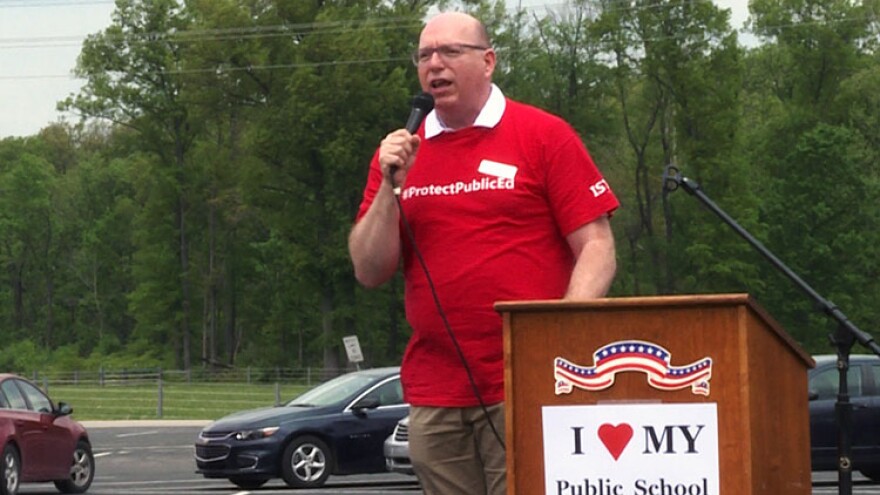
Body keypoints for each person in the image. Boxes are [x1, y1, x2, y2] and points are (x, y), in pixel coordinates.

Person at [348, 11, 619, 495]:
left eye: (451, 52)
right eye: (425, 55)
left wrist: (556, 341)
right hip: (435, 390)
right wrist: (390, 189)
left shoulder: (542, 134)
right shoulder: (399, 154)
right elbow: (370, 270)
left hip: (524, 380)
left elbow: (597, 247)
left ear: (488, 61)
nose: (435, 64)